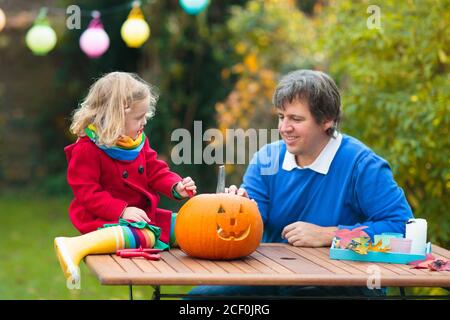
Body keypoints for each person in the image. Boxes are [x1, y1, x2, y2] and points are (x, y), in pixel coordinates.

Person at [189, 69, 413, 298]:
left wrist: (331, 235)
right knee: (201, 299)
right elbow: (253, 222)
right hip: (274, 275)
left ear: (327, 120)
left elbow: (403, 228)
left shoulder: (362, 165)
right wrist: (240, 206)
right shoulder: (267, 159)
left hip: (345, 282)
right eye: (281, 117)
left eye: (296, 119)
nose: (284, 128)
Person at [54, 72, 196, 284]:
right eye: (139, 118)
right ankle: (73, 245)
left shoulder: (135, 141)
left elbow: (155, 169)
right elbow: (87, 193)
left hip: (141, 215)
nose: (143, 123)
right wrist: (121, 210)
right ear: (116, 116)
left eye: (145, 117)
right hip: (103, 218)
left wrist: (175, 186)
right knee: (145, 235)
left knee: (188, 226)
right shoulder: (87, 148)